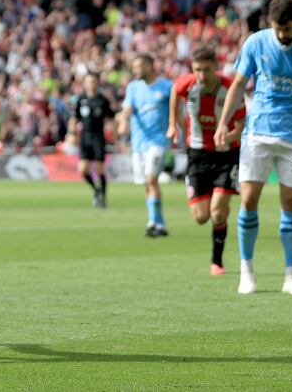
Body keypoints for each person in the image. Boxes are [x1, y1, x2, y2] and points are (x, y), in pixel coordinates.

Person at [215, 0, 292, 295]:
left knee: (290, 204)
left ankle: (290, 277)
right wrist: (223, 122)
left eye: (288, 28)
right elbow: (239, 84)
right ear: (270, 22)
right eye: (278, 28)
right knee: (248, 200)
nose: (282, 34)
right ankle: (247, 272)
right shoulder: (256, 43)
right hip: (257, 132)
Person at [167, 46, 245, 275]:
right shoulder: (186, 84)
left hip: (226, 154)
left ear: (216, 67)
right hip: (197, 153)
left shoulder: (230, 88)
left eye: (207, 70)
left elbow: (241, 124)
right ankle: (211, 198)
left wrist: (229, 136)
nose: (202, 75)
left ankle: (217, 262)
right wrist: (173, 123)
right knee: (201, 217)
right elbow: (174, 93)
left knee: (218, 213)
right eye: (197, 70)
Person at [118, 54, 173, 237]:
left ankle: (152, 223)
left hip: (158, 141)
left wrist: (176, 128)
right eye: (134, 67)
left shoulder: (166, 87)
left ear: (150, 66)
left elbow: (176, 110)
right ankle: (160, 223)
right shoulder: (133, 87)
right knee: (147, 184)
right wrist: (124, 121)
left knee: (151, 180)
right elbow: (127, 108)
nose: (136, 71)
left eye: (139, 67)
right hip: (138, 142)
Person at [66, 73, 116, 207]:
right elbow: (74, 118)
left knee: (99, 169)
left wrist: (116, 138)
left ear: (97, 83)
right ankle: (96, 190)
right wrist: (71, 133)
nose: (91, 84)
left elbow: (112, 118)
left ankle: (103, 197)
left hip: (98, 136)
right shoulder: (80, 99)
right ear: (85, 83)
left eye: (93, 81)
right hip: (85, 136)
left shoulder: (103, 100)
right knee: (82, 169)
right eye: (89, 81)